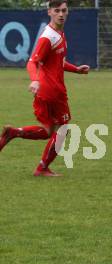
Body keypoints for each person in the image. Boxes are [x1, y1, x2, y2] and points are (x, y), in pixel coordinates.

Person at [0, 0, 89, 177]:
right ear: (49, 12)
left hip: (45, 92)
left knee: (48, 131)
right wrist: (34, 80)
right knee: (63, 129)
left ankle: (13, 132)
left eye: (64, 10)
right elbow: (32, 62)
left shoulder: (59, 34)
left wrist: (76, 70)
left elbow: (58, 62)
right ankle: (42, 167)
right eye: (57, 11)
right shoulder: (48, 37)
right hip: (53, 92)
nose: (61, 14)